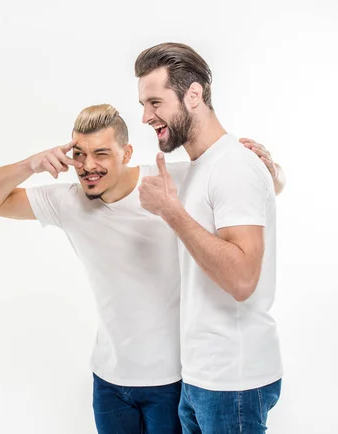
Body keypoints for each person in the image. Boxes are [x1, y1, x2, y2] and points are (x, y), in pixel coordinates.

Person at [0, 103, 285, 434]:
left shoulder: (165, 184)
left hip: (173, 380)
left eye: (101, 153)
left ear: (126, 152)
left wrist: (274, 171)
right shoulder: (68, 201)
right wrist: (31, 164)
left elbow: (258, 189)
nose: (88, 166)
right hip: (109, 382)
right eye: (79, 154)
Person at [135, 42, 283, 433]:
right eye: (143, 105)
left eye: (155, 102)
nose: (147, 116)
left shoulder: (233, 164)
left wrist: (170, 211)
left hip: (234, 382)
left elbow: (242, 279)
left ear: (194, 94)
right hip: (202, 378)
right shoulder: (204, 165)